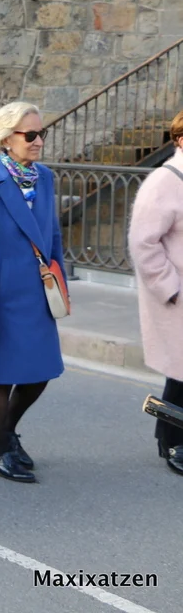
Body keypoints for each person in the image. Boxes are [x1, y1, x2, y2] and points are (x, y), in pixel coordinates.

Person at [0, 101, 64, 484]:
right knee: (1, 376)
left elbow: (53, 236)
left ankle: (4, 433)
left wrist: (60, 286)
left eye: (41, 133)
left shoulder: (45, 178)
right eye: (30, 135)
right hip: (0, 295)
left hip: (38, 293)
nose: (38, 141)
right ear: (6, 139)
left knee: (40, 373)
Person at [130, 112, 183, 476]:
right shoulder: (165, 181)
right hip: (178, 295)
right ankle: (173, 442)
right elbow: (143, 242)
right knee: (180, 373)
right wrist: (170, 287)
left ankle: (168, 436)